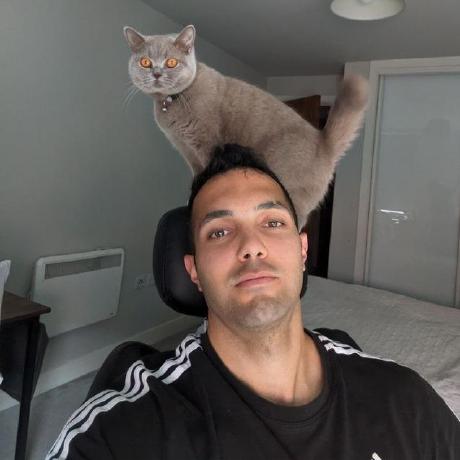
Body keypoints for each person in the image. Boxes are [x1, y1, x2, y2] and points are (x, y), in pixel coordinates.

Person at [47, 144, 459, 460]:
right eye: (220, 232)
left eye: (272, 222)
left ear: (302, 250)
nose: (251, 246)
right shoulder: (123, 430)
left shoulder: (402, 398)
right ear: (194, 271)